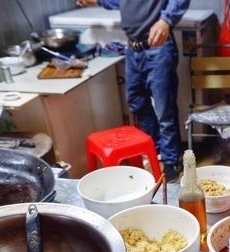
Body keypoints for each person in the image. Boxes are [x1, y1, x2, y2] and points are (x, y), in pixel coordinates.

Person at [77, 0, 190, 182]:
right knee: (136, 101)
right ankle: (157, 149)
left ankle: (171, 161)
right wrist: (96, 1)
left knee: (164, 111)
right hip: (133, 48)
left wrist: (166, 20)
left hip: (158, 48)